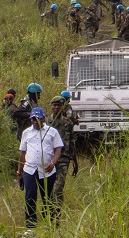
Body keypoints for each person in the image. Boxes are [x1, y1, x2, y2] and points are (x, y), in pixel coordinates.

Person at [15, 107, 63, 228]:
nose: (35, 122)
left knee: (47, 196)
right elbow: (22, 153)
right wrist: (19, 171)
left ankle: (51, 222)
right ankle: (30, 224)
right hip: (29, 169)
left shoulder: (52, 132)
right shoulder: (26, 133)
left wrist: (52, 163)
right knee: (30, 196)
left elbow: (58, 149)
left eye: (38, 119)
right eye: (33, 119)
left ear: (43, 118)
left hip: (47, 170)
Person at [49, 93, 80, 221]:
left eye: (59, 105)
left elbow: (71, 142)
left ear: (63, 107)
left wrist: (75, 162)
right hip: (48, 159)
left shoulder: (68, 123)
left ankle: (55, 216)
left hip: (63, 159)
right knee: (49, 188)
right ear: (51, 106)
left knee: (58, 187)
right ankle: (50, 212)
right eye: (54, 105)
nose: (56, 108)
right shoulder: (46, 122)